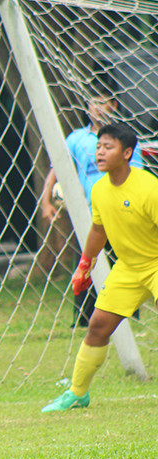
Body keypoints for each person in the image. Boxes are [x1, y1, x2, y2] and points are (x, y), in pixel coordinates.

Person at [42, 123, 158, 412]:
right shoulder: (99, 190)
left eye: (108, 147)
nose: (100, 152)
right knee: (96, 327)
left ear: (127, 153)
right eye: (99, 147)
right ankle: (77, 394)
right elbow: (98, 229)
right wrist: (84, 265)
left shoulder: (149, 188)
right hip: (129, 268)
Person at [39, 95, 143, 326]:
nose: (95, 108)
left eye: (101, 102)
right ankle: (84, 319)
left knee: (122, 264)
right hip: (88, 214)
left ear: (113, 105)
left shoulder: (126, 138)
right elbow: (58, 168)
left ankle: (128, 317)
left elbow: (136, 174)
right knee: (87, 263)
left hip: (121, 214)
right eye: (91, 103)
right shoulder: (77, 138)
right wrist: (46, 200)